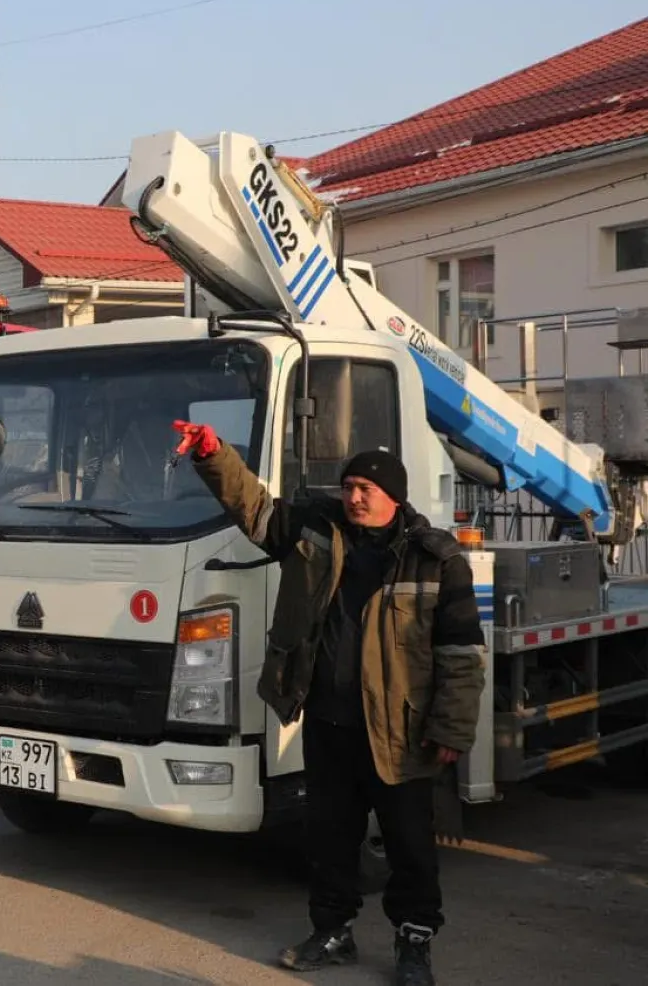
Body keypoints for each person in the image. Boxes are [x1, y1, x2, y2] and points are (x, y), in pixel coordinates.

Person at [173, 420, 484, 986]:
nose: (354, 497)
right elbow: (257, 511)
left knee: (409, 845)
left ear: (394, 495)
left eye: (366, 488)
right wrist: (214, 456)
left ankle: (414, 940)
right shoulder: (318, 531)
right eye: (348, 487)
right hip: (327, 721)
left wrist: (451, 731)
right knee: (329, 837)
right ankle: (333, 931)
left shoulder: (435, 560)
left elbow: (461, 655)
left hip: (400, 731)